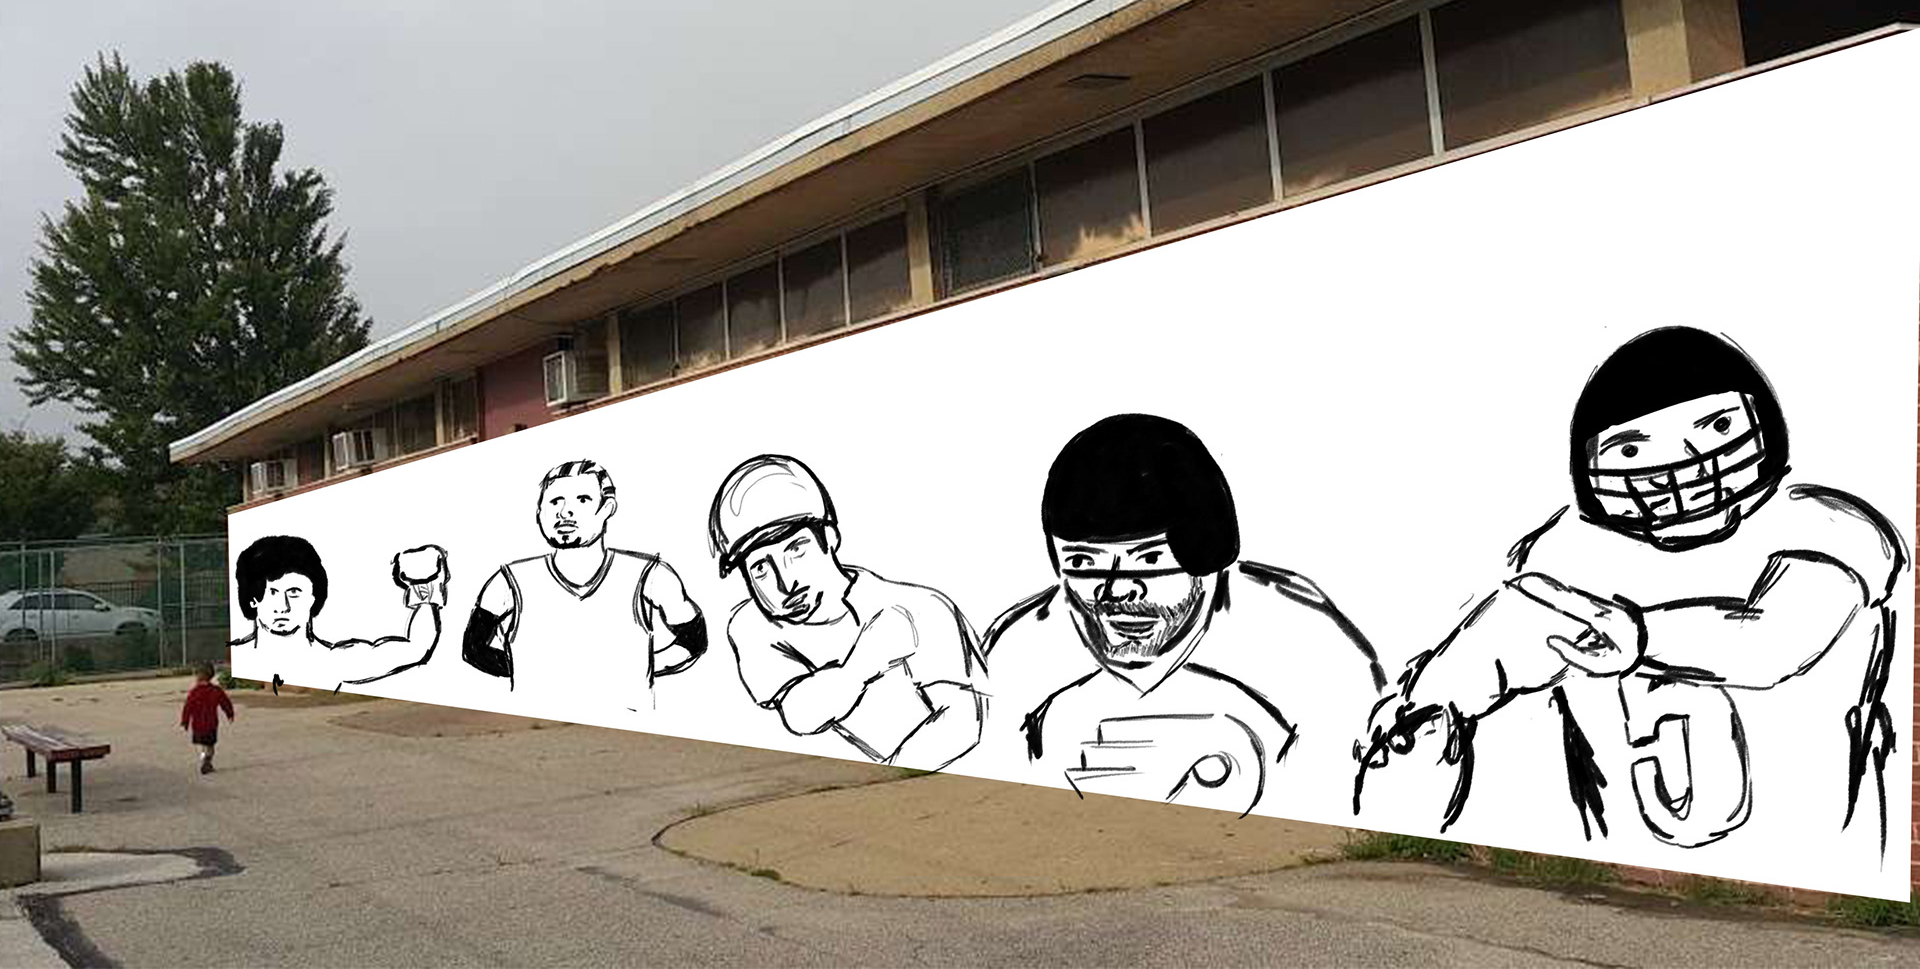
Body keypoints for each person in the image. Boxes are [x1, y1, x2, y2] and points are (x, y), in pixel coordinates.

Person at [1356, 327, 1908, 863]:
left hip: (1822, 841)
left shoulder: (1824, 523)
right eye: (1630, 450)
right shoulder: (1572, 552)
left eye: (1717, 426)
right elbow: (1508, 634)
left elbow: (1778, 638)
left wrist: (1643, 637)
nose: (1682, 465)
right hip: (1611, 855)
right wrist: (1427, 698)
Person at [985, 414, 1386, 817]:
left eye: (1149, 559)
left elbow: (1349, 796)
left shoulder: (1307, 639)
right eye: (1083, 561)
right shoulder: (1018, 652)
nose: (1115, 589)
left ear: (1207, 554)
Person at [710, 453, 986, 771]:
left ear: (829, 538)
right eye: (760, 567)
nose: (785, 583)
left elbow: (963, 724)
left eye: (796, 549)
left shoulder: (921, 608)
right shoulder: (752, 626)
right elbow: (801, 714)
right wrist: (865, 662)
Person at [462, 458, 706, 709]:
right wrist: (534, 670)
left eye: (582, 500)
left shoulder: (649, 574)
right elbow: (473, 648)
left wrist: (639, 666)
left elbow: (693, 641)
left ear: (607, 508)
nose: (564, 512)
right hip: (540, 725)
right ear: (539, 511)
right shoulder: (510, 580)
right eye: (555, 501)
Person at [230, 535, 449, 692]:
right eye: (272, 593)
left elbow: (416, 649)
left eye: (294, 592)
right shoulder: (239, 654)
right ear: (253, 599)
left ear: (314, 597)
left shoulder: (332, 663)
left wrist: (424, 584)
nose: (283, 606)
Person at [180, 661, 235, 775]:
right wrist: (230, 714)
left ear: (197, 676)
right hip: (211, 724)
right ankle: (207, 760)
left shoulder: (194, 692)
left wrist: (185, 721)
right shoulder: (216, 690)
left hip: (198, 725)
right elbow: (225, 703)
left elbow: (187, 708)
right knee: (210, 745)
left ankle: (204, 758)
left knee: (202, 745)